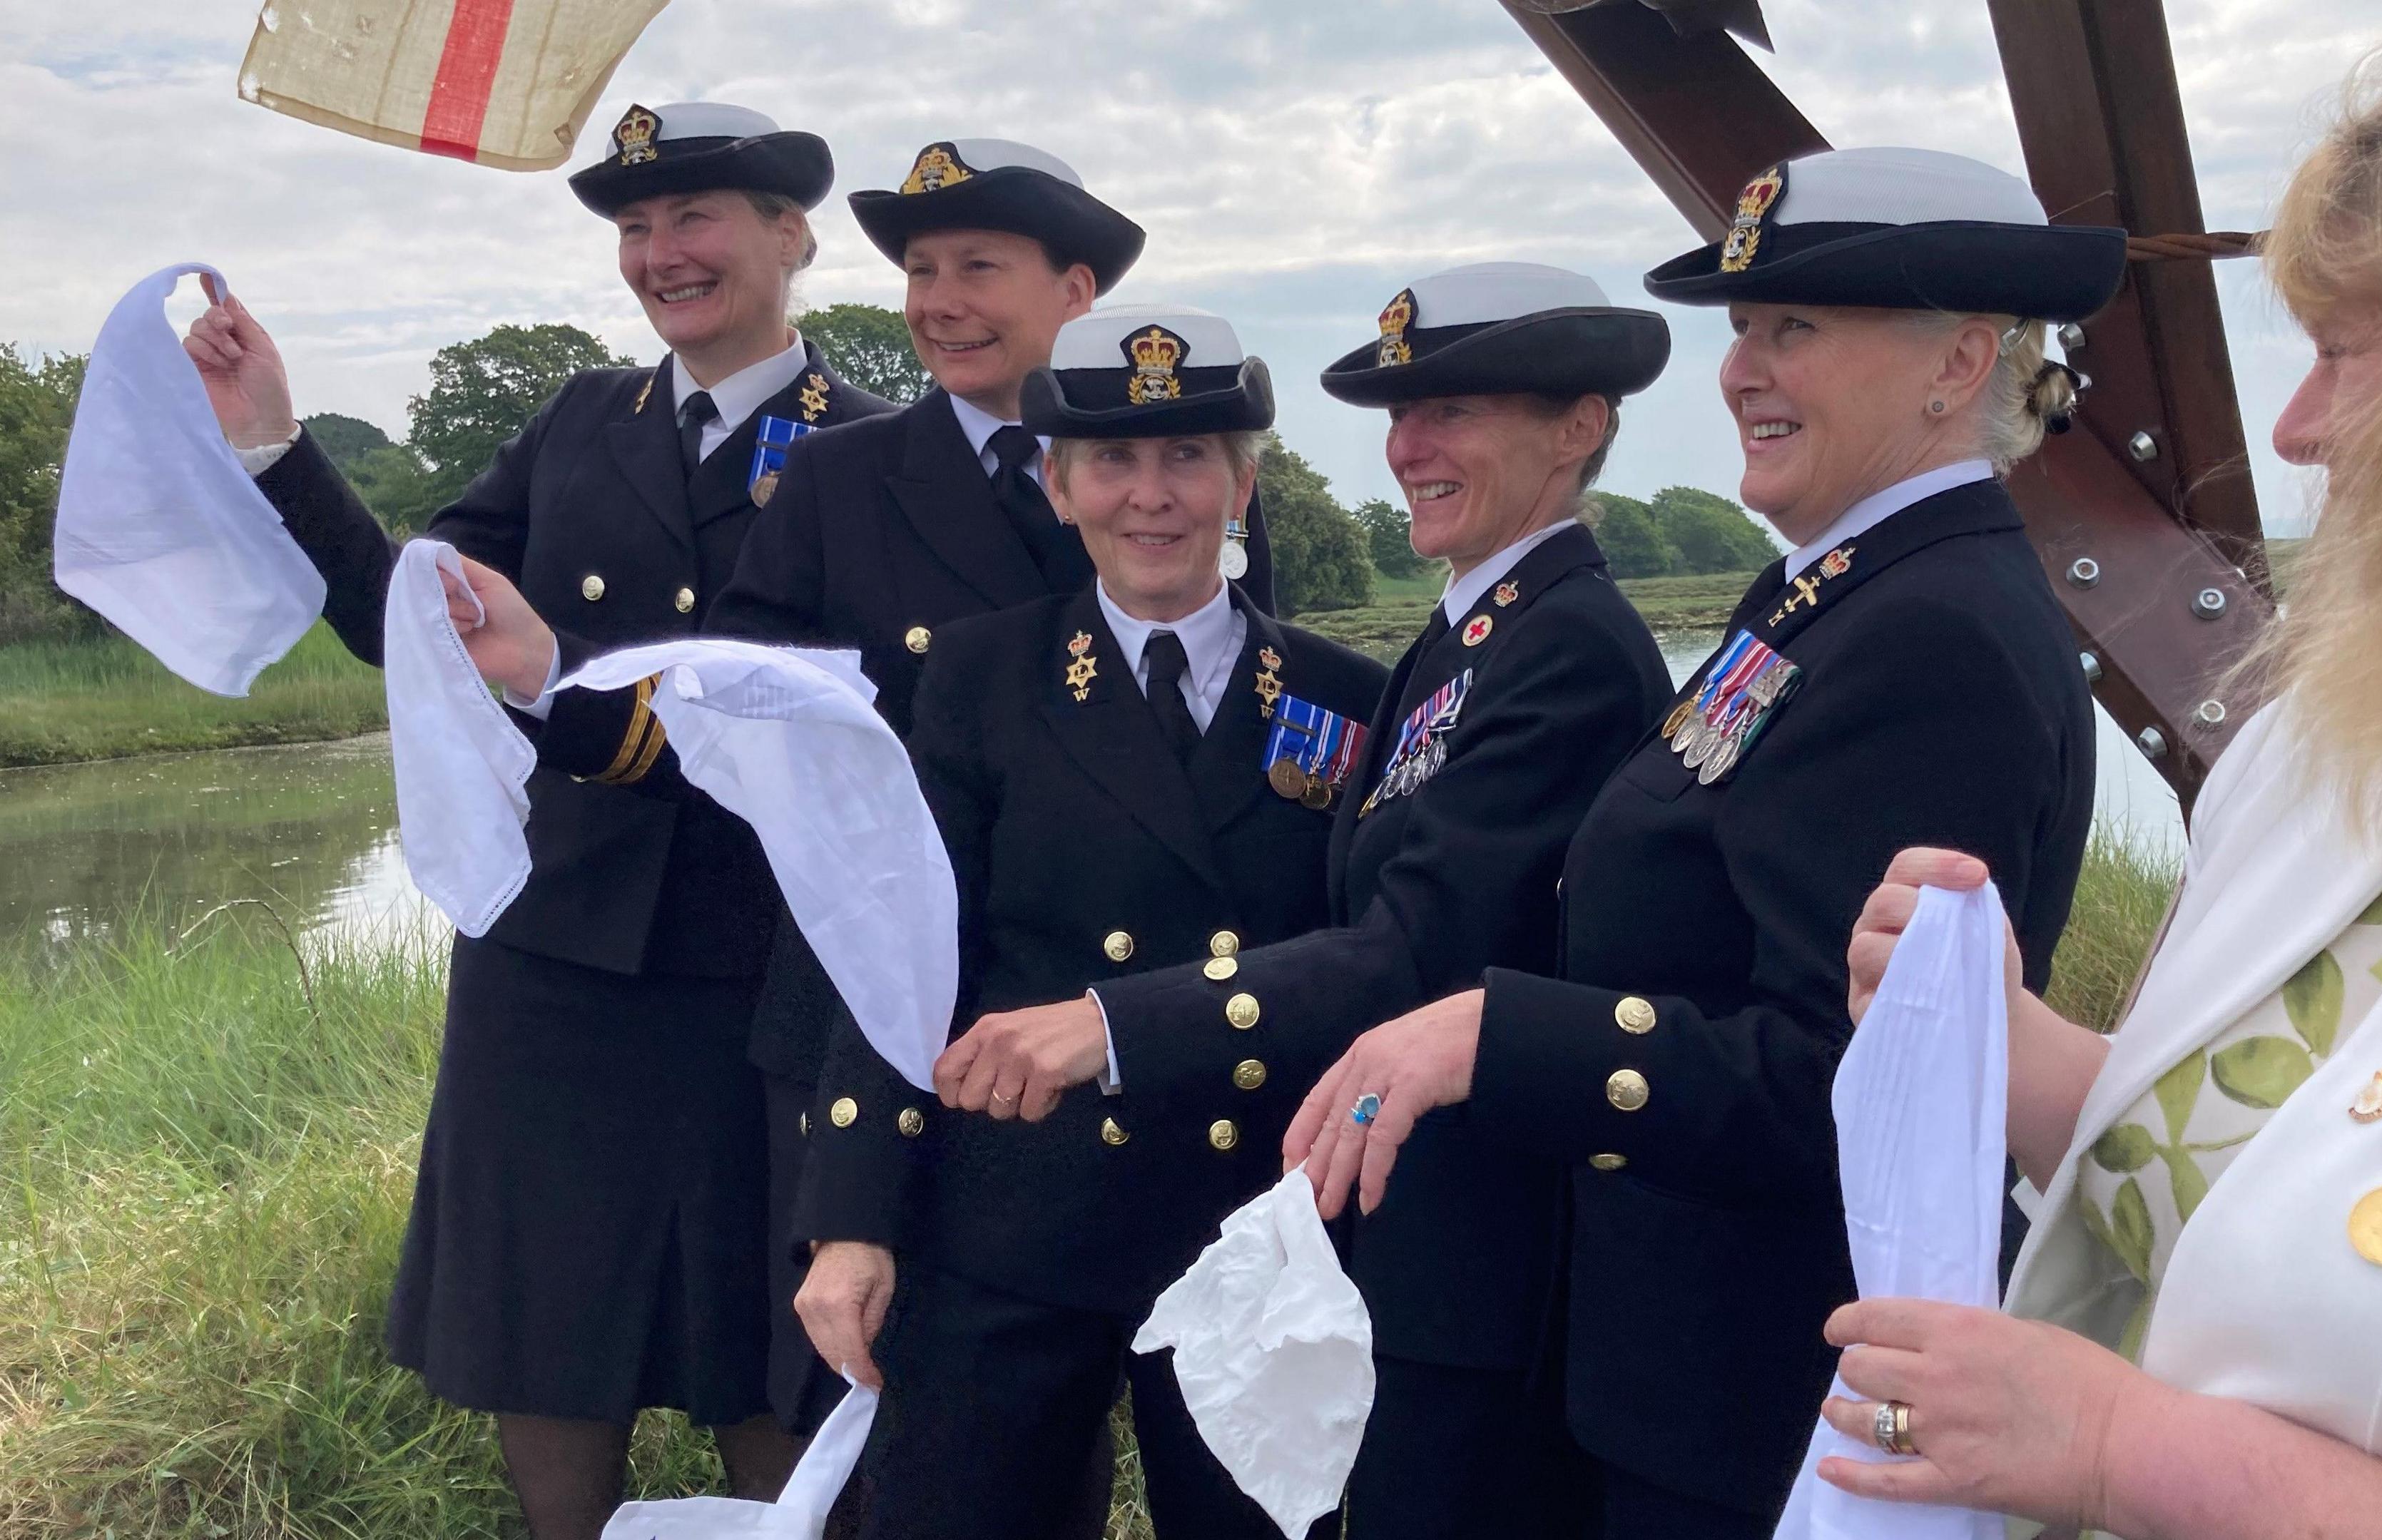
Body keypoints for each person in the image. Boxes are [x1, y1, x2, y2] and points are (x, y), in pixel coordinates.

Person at [1818, 6, 2382, 1536]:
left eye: (2345, 353)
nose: (2298, 432)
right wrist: (2008, 1045)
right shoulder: (2339, 752)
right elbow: (2236, 1191)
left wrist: (2127, 1454)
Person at [1288, 146, 2121, 1536]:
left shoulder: (1932, 633)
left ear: (1958, 361)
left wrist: (1495, 1033)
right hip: (1684, 1387)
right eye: (1742, 327)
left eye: (1794, 326)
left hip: (1780, 1423)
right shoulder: (1827, 596)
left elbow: (1843, 1083)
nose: (1740, 370)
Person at [180, 103, 890, 1538]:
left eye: (693, 219)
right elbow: (413, 624)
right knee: (553, 1341)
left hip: (771, 974)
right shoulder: (580, 424)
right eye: (634, 229)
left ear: (790, 235)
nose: (658, 255)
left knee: (774, 1346)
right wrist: (273, 448)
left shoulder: (882, 455)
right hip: (554, 969)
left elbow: (869, 741)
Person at [550, 135, 1274, 1442]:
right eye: (920, 270)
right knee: (896, 1438)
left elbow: (1215, 735)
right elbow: (743, 718)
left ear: (1078, 292)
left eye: (977, 267)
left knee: (1200, 1426)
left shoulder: (1171, 463)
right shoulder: (838, 472)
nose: (938, 301)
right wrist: (547, 677)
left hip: (1122, 1030)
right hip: (886, 1015)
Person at [975, 261, 1671, 1539]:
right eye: (1401, 417)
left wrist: (1117, 1026)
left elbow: (1419, 948)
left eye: (1454, 411)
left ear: (1578, 428)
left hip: (1478, 1249)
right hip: (1401, 1236)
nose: (1410, 448)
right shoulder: (1468, 636)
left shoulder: (1564, 644)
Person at [789, 305, 1386, 1539]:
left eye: (1187, 459)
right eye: (1112, 461)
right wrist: (852, 1215)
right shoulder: (975, 674)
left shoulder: (1346, 697)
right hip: (1009, 1214)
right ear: (1059, 486)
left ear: (1244, 482)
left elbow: (1372, 963)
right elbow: (899, 956)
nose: (1150, 496)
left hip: (1249, 1233)